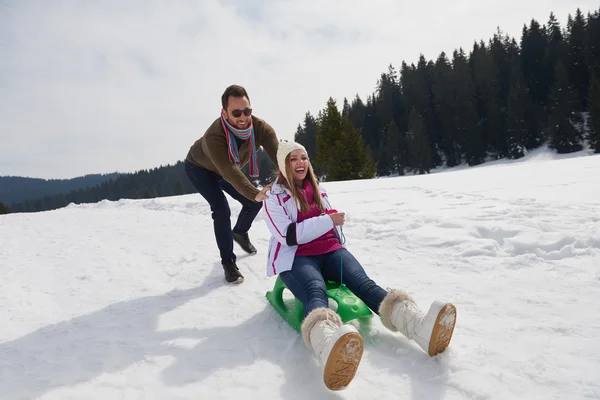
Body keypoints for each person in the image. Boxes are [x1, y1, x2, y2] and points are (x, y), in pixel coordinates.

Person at [262, 140, 457, 391]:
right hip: (295, 258)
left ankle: (419, 327)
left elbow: (329, 221)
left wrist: (331, 223)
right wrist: (327, 221)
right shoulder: (274, 197)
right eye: (293, 159)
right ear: (283, 165)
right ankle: (328, 345)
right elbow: (289, 235)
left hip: (330, 251)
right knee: (314, 288)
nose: (300, 163)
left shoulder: (317, 189)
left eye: (304, 158)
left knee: (362, 282)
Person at [185, 84, 278, 284]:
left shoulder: (260, 129)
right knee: (221, 208)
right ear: (224, 113)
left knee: (254, 203)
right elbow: (229, 170)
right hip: (200, 168)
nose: (243, 117)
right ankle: (228, 263)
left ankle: (240, 232)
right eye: (236, 112)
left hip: (224, 168)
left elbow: (280, 158)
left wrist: (297, 180)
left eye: (247, 111)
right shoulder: (214, 136)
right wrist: (255, 191)